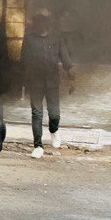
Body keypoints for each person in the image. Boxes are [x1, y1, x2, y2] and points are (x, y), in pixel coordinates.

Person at [22, 9, 74, 159]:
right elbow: (24, 61)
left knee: (54, 114)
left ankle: (54, 129)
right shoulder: (29, 39)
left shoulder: (56, 38)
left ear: (48, 24)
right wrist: (24, 83)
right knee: (36, 113)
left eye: (43, 22)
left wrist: (71, 79)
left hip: (52, 82)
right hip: (35, 82)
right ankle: (38, 146)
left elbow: (66, 60)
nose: (40, 25)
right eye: (38, 22)